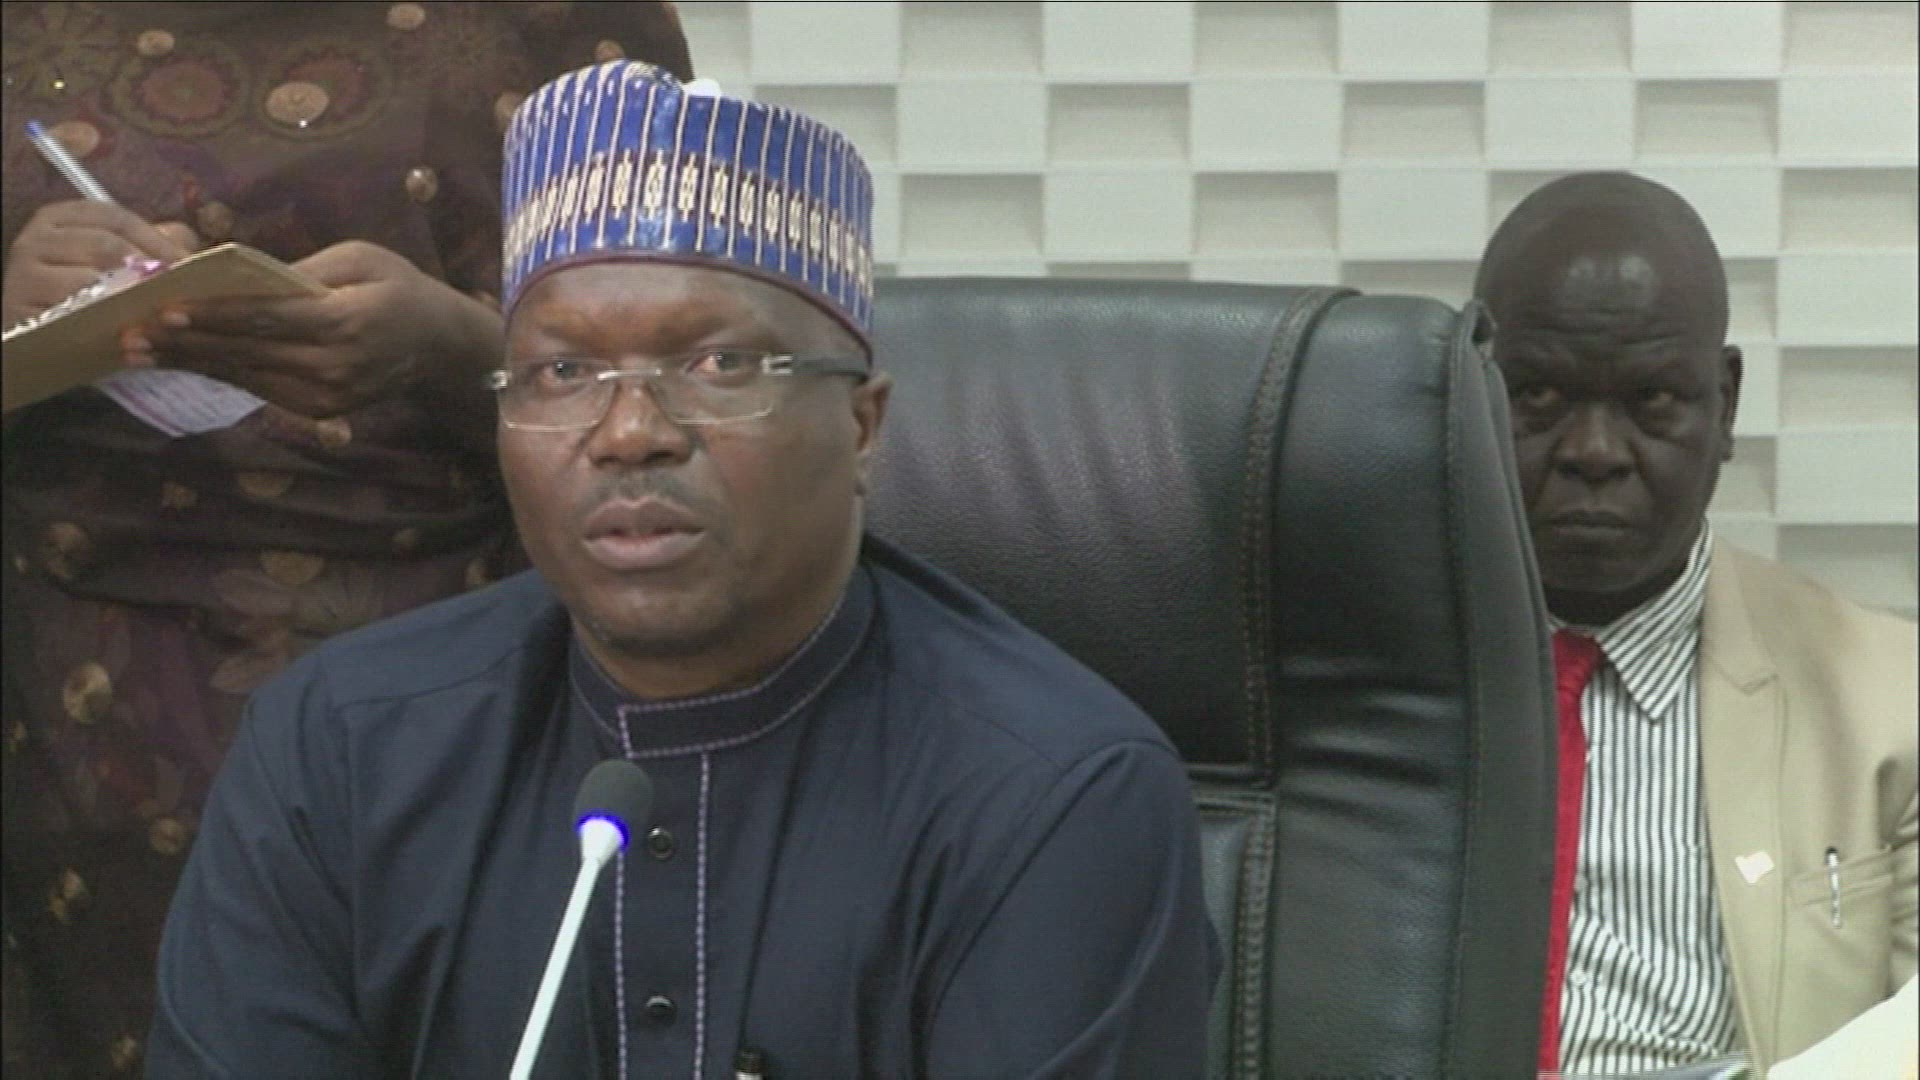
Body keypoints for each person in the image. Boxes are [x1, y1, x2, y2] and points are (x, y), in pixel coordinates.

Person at [147, 59, 1221, 1077]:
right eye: (563, 372)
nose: (629, 432)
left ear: (861, 426)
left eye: (719, 363)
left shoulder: (1056, 794)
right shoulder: (338, 747)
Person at [0, 3, 693, 1075]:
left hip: (469, 643)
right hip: (76, 681)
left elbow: (689, 377)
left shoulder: (557, 21)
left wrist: (457, 344)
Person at [1475, 171, 1917, 1078]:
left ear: (1725, 403)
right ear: (1467, 391)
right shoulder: (1336, 681)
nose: (1594, 452)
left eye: (1652, 401)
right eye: (1541, 396)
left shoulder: (1889, 703)